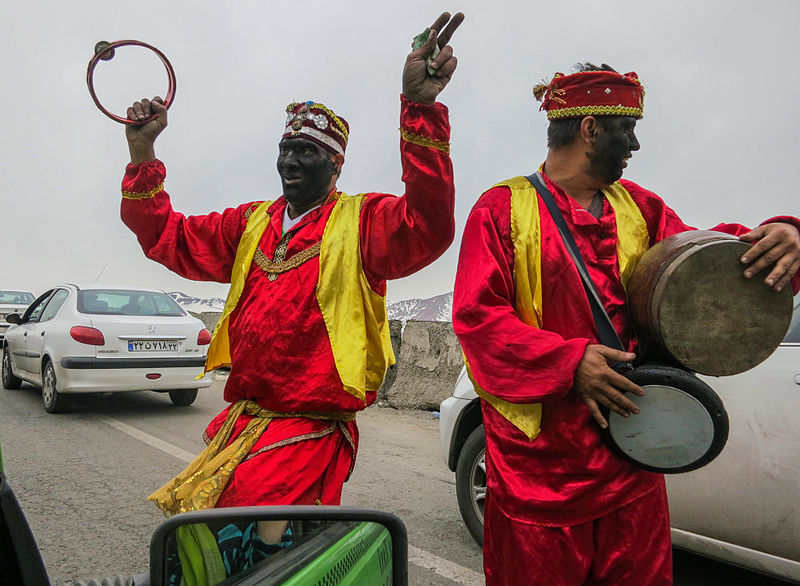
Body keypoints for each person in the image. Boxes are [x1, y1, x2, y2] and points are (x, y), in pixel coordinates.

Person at [452, 63, 800, 585]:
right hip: (540, 470)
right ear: (590, 128)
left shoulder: (640, 206)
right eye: (627, 128)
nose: (635, 144)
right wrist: (570, 363)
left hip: (630, 457)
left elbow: (700, 266)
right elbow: (477, 319)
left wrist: (781, 236)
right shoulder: (501, 209)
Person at [118, 12, 463, 526]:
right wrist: (142, 149)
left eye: (306, 151)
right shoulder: (250, 223)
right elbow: (167, 237)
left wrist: (419, 107)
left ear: (336, 164)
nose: (290, 162)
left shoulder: (362, 221)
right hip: (244, 424)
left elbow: (429, 226)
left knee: (266, 551)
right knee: (212, 543)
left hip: (308, 433)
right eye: (285, 149)